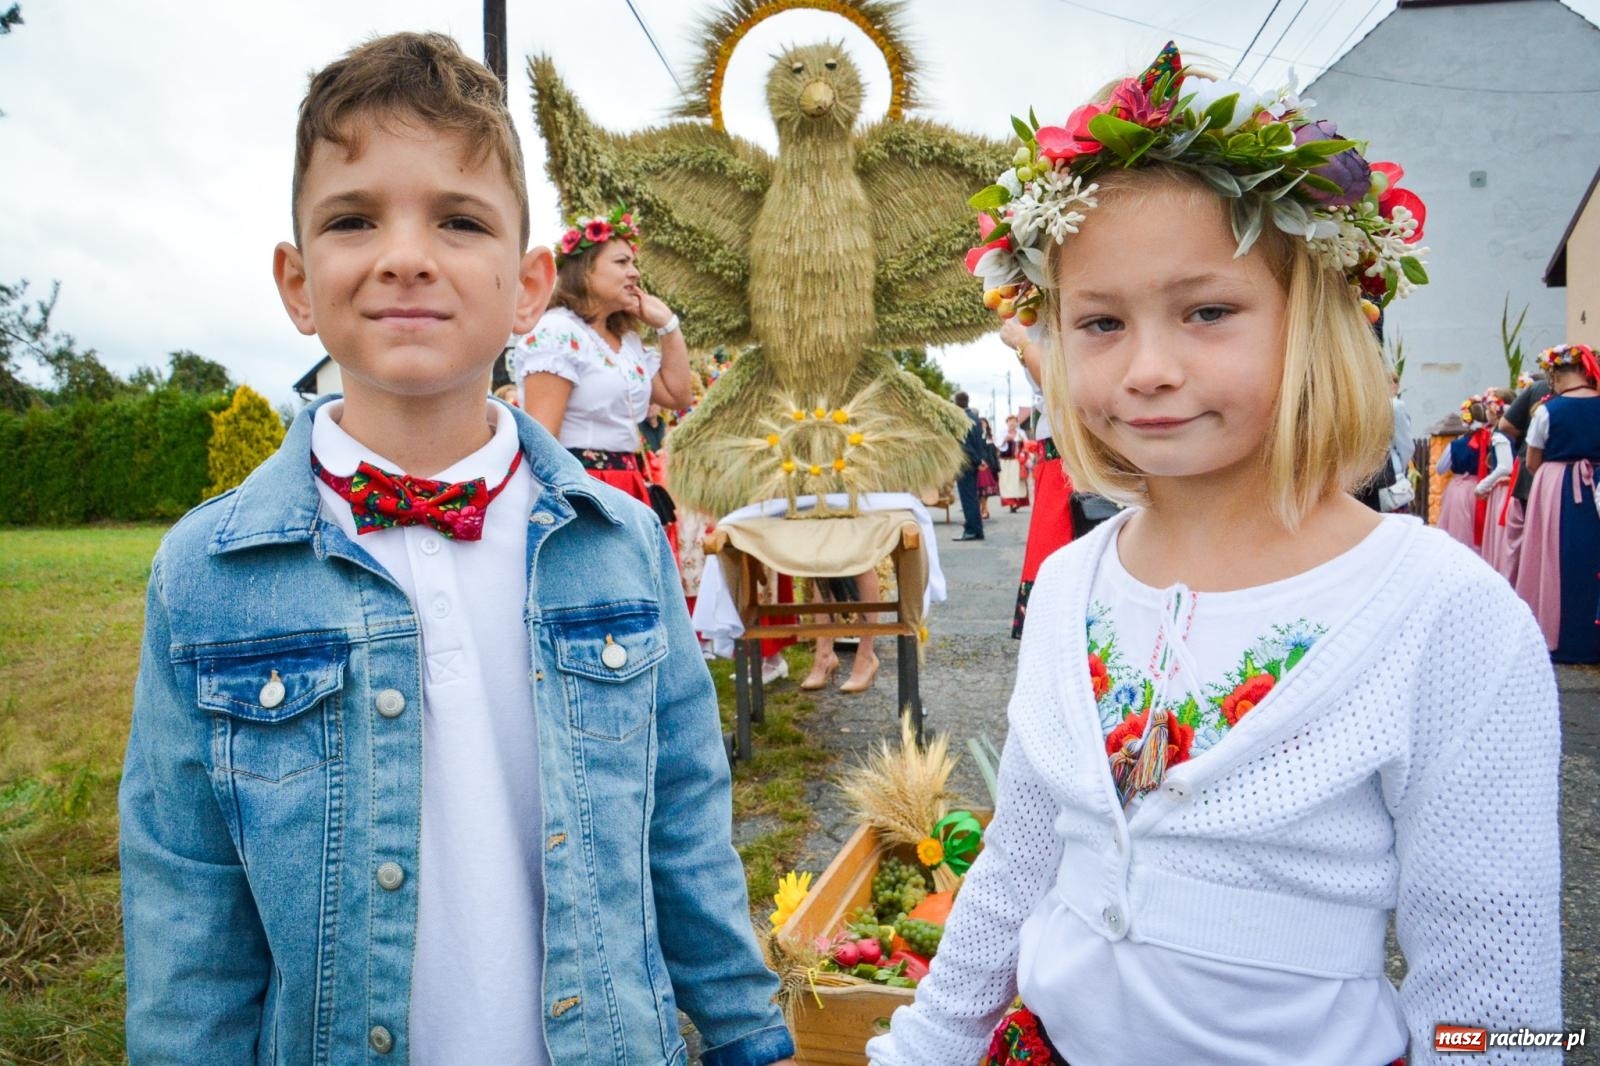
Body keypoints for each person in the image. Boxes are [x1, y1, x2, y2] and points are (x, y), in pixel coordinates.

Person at [872, 43, 1559, 1066]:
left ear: (1314, 317)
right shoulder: (1069, 583)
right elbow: (1018, 864)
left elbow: (1495, 1003)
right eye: (1100, 322)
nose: (1149, 368)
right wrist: (922, 1046)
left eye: (1206, 312)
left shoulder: (1441, 614)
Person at [118, 32, 797, 1066]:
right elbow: (188, 918)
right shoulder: (209, 575)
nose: (404, 254)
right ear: (298, 282)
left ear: (527, 286)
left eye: (458, 219)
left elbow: (685, 833)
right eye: (353, 219)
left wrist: (753, 1036)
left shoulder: (618, 546)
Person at [513, 206, 693, 507]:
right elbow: (542, 443)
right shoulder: (558, 332)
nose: (634, 273)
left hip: (630, 483)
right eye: (622, 262)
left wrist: (667, 325)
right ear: (585, 270)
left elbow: (679, 395)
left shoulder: (626, 341)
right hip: (584, 486)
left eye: (634, 263)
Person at [1514, 342, 1600, 663]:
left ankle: (1563, 637)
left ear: (1556, 374)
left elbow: (1533, 458)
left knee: (1555, 558)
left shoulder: (1549, 410)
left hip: (1559, 488)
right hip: (1597, 485)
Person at [999, 319, 1078, 638]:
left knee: (1060, 556)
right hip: (1060, 447)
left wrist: (1022, 343)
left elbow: (1058, 386)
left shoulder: (1052, 313)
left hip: (1069, 449)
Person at [1435, 394, 1493, 549]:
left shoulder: (1456, 445)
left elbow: (1440, 468)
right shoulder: (1493, 442)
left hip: (1459, 491)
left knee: (1458, 532)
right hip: (1485, 489)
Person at [1475, 388, 1517, 576]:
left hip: (1504, 489)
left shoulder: (1500, 433)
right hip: (1508, 486)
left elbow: (1504, 466)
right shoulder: (1516, 430)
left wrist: (1483, 485)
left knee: (1501, 536)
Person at [953, 389, 986, 541]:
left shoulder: (961, 419)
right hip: (973, 462)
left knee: (968, 498)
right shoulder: (975, 417)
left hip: (964, 462)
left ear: (956, 403)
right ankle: (977, 529)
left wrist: (975, 458)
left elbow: (964, 444)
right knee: (972, 496)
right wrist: (980, 459)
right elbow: (979, 441)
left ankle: (972, 530)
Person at [997, 414, 1031, 512]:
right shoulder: (1002, 433)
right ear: (1007, 423)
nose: (1012, 423)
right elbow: (998, 446)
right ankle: (1010, 503)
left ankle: (1018, 502)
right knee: (1006, 483)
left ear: (1017, 423)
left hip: (1017, 462)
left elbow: (1027, 445)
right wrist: (1005, 440)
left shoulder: (1021, 433)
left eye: (1014, 421)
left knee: (1017, 483)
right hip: (1005, 461)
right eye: (1010, 421)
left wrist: (1024, 454)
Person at [977, 417, 1000, 518]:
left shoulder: (991, 437)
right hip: (979, 465)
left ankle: (984, 508)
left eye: (984, 423)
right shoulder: (976, 436)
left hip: (989, 465)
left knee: (985, 490)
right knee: (979, 489)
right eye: (981, 423)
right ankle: (982, 509)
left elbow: (994, 452)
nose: (983, 425)